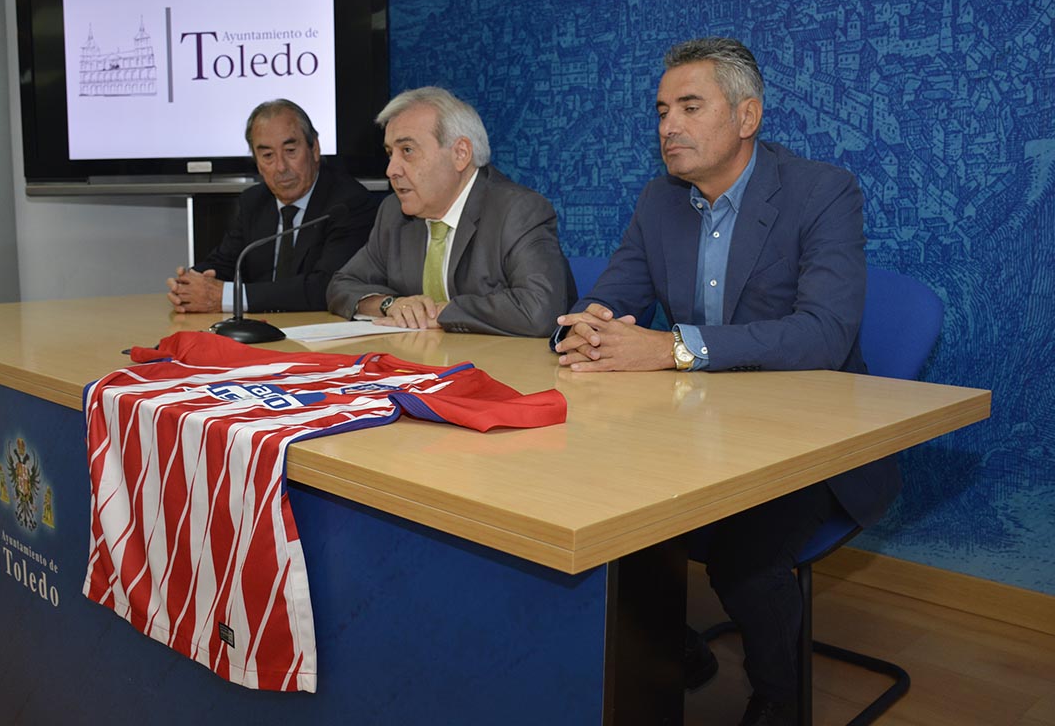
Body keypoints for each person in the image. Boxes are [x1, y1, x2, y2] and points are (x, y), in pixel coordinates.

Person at [553, 38, 896, 726]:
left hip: (809, 441)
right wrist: (588, 326)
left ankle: (777, 696)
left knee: (743, 560)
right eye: (659, 111)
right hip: (695, 433)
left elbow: (825, 334)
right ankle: (663, 655)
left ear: (747, 117)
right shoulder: (660, 201)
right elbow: (613, 297)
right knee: (597, 504)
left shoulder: (821, 190)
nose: (666, 127)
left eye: (688, 107)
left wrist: (676, 348)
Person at [326, 86, 573, 337]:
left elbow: (540, 310)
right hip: (422, 366)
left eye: (407, 151)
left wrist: (440, 313)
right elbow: (342, 285)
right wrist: (390, 304)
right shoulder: (394, 213)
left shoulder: (517, 211)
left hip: (506, 369)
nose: (391, 170)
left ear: (460, 153)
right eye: (390, 154)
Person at [166, 100, 378, 313]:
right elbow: (224, 263)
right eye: (268, 156)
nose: (281, 167)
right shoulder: (254, 201)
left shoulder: (348, 204)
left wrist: (228, 297)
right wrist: (189, 285)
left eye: (290, 150)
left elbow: (328, 288)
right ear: (257, 162)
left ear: (315, 149)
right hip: (261, 329)